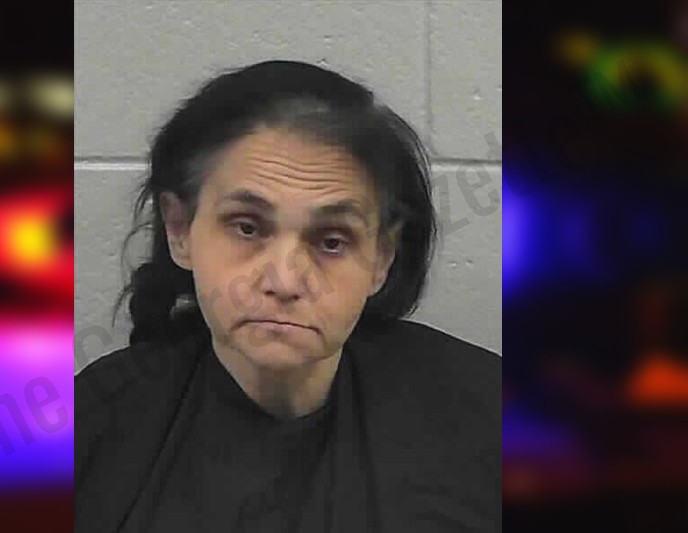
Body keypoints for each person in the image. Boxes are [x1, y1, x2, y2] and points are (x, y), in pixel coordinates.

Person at [75, 60, 500, 532]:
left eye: (332, 241)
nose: (284, 281)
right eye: (247, 227)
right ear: (180, 230)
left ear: (382, 258)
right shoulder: (90, 428)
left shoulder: (490, 417)